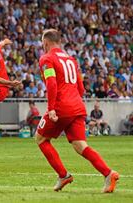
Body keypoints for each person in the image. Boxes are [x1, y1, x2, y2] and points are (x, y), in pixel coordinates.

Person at [35, 29, 118, 193]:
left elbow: (51, 83)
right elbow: (81, 88)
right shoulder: (72, 60)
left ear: (46, 42)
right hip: (77, 106)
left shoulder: (47, 58)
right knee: (80, 145)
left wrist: (52, 108)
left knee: (41, 139)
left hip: (61, 106)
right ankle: (108, 173)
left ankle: (63, 175)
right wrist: (74, 102)